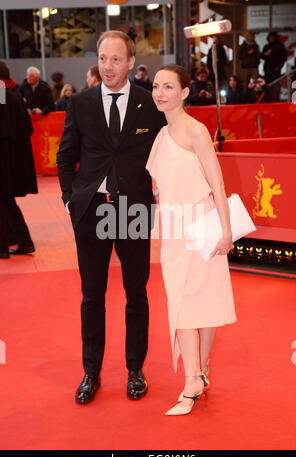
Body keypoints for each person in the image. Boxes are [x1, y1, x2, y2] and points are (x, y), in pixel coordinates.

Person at [56, 30, 166, 404]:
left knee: (137, 292)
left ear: (131, 62)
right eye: (103, 59)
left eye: (116, 60)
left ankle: (135, 370)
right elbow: (65, 154)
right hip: (93, 210)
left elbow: (165, 154)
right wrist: (71, 200)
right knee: (92, 295)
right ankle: (91, 372)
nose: (108, 66)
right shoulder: (81, 102)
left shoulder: (150, 104)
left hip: (133, 209)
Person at [146, 64, 236, 416]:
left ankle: (193, 378)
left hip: (202, 226)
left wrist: (226, 231)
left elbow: (218, 183)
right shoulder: (161, 134)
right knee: (181, 303)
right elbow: (161, 189)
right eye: (156, 86)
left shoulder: (196, 130)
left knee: (203, 302)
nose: (160, 93)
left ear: (185, 92)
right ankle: (196, 373)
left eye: (168, 86)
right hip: (174, 231)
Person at [0, 61, 38, 259]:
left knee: (4, 202)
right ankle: (24, 242)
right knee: (7, 202)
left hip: (4, 160)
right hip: (12, 160)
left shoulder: (1, 92)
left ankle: (4, 247)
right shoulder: (13, 93)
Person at [261, 32, 287, 102]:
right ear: (268, 38)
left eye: (273, 37)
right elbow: (262, 56)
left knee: (275, 85)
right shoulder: (266, 46)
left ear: (275, 38)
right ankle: (267, 100)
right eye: (270, 37)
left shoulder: (280, 46)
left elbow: (283, 57)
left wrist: (279, 66)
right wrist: (265, 54)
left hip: (276, 69)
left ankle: (275, 100)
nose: (271, 39)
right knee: (268, 85)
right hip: (267, 69)